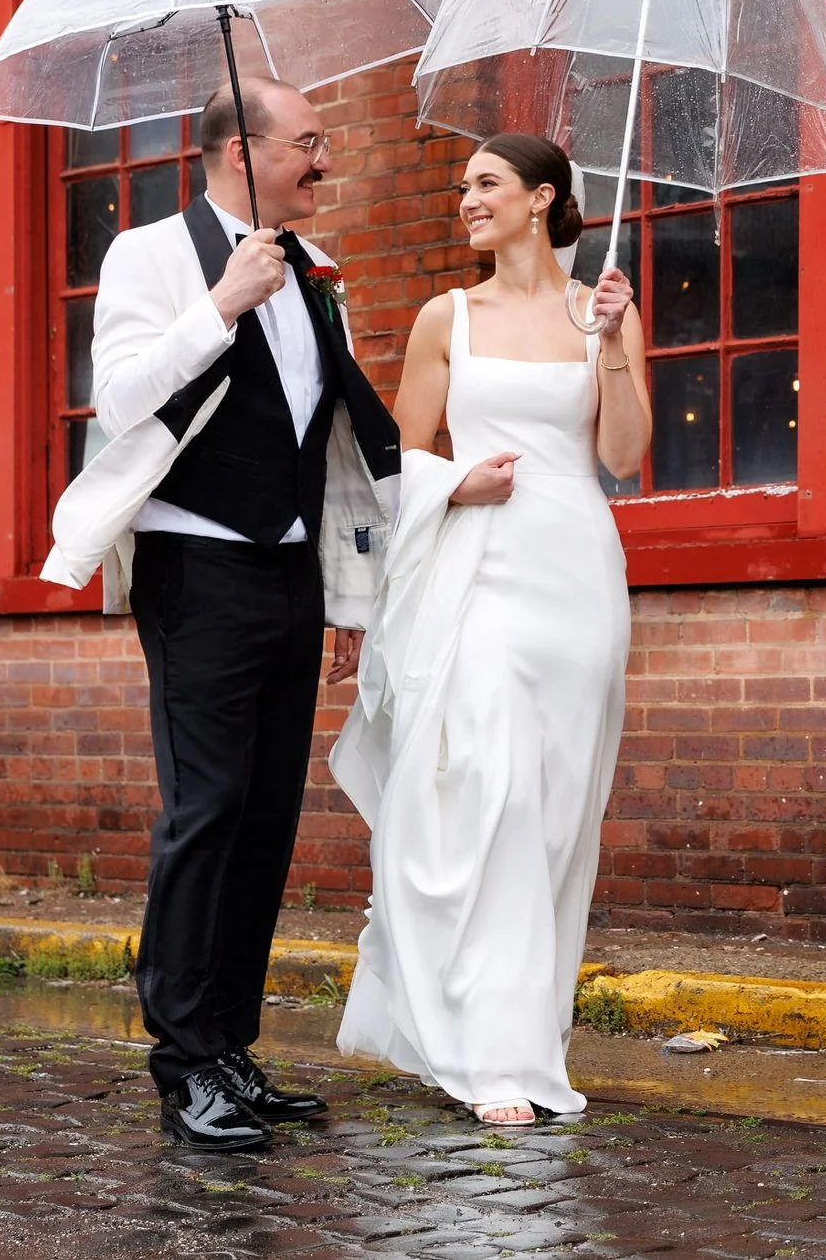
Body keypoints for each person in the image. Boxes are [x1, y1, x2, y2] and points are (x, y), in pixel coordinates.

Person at [46, 76, 400, 1152]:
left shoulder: (313, 271)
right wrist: (221, 303)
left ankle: (230, 1049)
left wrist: (343, 592)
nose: (323, 161)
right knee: (205, 810)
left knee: (265, 821)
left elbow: (330, 440)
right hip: (196, 568)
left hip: (292, 572)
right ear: (238, 150)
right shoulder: (149, 253)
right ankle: (181, 1059)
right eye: (307, 143)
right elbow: (120, 400)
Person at [329, 132, 648, 1127]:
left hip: (577, 575)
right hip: (477, 575)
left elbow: (624, 455)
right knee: (492, 793)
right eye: (463, 185)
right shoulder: (445, 317)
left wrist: (616, 342)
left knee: (557, 814)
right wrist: (455, 484)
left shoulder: (600, 306)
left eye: (484, 183)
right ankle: (488, 1053)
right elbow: (396, 458)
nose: (464, 199)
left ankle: (527, 1033)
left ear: (541, 196)